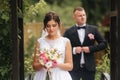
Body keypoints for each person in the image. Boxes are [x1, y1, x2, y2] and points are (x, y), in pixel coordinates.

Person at [63, 7, 107, 80]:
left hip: (89, 68)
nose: (83, 17)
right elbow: (62, 47)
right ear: (74, 17)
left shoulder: (93, 29)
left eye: (84, 15)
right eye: (80, 16)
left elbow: (104, 44)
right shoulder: (68, 32)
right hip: (74, 68)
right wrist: (73, 50)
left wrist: (90, 49)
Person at [33, 11, 73, 80]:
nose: (51, 29)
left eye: (54, 25)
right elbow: (35, 66)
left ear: (59, 25)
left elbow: (70, 66)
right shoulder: (40, 41)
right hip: (43, 76)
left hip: (60, 76)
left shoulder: (65, 41)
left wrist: (56, 64)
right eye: (48, 26)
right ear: (45, 26)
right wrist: (43, 64)